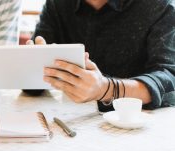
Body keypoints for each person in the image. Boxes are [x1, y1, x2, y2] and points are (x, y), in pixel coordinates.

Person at [26, 0, 175, 111]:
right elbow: (31, 81)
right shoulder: (57, 5)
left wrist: (106, 89)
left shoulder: (160, 5)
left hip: (138, 125)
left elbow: (169, 79)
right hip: (69, 122)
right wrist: (30, 66)